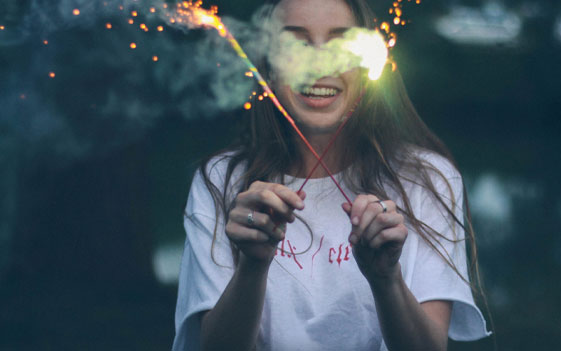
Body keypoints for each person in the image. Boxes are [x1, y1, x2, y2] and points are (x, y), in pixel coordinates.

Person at [172, 0, 491, 350]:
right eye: (296, 43)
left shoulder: (427, 179)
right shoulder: (220, 182)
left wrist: (386, 279)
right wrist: (252, 265)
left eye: (341, 42)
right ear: (268, 64)